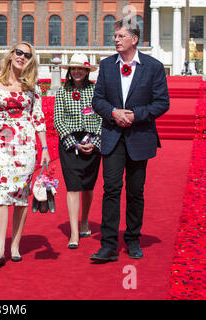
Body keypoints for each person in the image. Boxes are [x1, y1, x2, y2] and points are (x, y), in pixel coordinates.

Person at [90, 19, 169, 262]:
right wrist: (113, 113)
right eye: (115, 36)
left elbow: (162, 103)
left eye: (121, 36)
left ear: (134, 39)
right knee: (111, 189)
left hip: (139, 136)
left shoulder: (153, 67)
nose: (116, 39)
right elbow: (98, 100)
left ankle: (133, 239)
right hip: (113, 135)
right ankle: (108, 244)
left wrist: (136, 115)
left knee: (136, 192)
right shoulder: (106, 66)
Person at [0, 42, 51, 266]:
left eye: (27, 55)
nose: (21, 57)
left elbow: (38, 117)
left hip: (25, 145)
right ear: (12, 54)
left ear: (31, 60)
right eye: (19, 52)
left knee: (21, 196)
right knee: (2, 193)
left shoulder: (33, 86)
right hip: (1, 144)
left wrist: (44, 148)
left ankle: (15, 245)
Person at [54, 53, 102, 249]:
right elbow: (58, 119)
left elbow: (102, 117)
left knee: (88, 186)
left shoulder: (97, 91)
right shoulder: (62, 92)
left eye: (80, 68)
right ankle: (74, 232)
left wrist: (96, 140)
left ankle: (84, 220)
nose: (77, 72)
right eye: (73, 69)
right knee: (73, 186)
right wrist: (73, 143)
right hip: (69, 143)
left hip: (92, 140)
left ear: (87, 71)